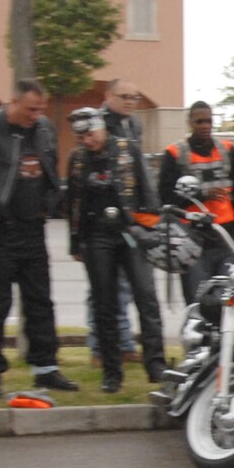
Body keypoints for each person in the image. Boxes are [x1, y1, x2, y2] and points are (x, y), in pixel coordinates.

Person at [0, 79, 75, 396]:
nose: (37, 115)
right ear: (14, 102)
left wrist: (49, 204)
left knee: (40, 300)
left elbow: (50, 169)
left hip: (33, 228)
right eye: (31, 109)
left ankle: (46, 368)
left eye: (41, 109)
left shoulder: (43, 129)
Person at [62, 109, 167, 393]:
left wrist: (153, 228)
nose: (87, 140)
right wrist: (74, 242)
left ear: (102, 129)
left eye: (90, 134)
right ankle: (111, 371)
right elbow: (72, 202)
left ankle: (156, 365)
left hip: (131, 232)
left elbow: (147, 190)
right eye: (81, 136)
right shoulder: (78, 159)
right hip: (96, 238)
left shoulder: (127, 149)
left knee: (146, 297)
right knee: (104, 304)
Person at [155, 102, 234, 302]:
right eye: (200, 121)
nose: (205, 125)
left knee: (232, 298)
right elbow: (165, 198)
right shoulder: (174, 154)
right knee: (198, 300)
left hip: (226, 235)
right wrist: (201, 194)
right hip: (192, 238)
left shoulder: (228, 150)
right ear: (190, 123)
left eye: (208, 121)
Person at [87, 77, 148, 365]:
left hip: (130, 213)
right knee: (101, 288)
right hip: (101, 215)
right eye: (124, 96)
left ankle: (123, 343)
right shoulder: (96, 123)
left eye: (134, 98)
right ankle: (100, 346)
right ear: (108, 95)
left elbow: (138, 169)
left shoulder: (133, 125)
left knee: (126, 285)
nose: (129, 102)